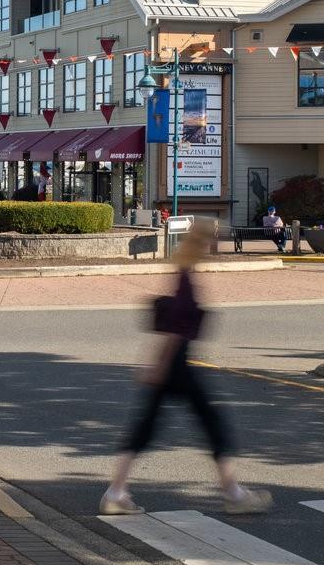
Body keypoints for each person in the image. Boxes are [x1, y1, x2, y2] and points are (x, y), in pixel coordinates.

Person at [100, 221, 271, 516]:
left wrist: (155, 365)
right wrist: (159, 366)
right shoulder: (186, 280)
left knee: (147, 428)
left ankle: (116, 492)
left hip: (174, 364)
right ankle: (234, 494)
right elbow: (175, 331)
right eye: (211, 241)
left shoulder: (184, 273)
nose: (214, 246)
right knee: (212, 425)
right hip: (177, 365)